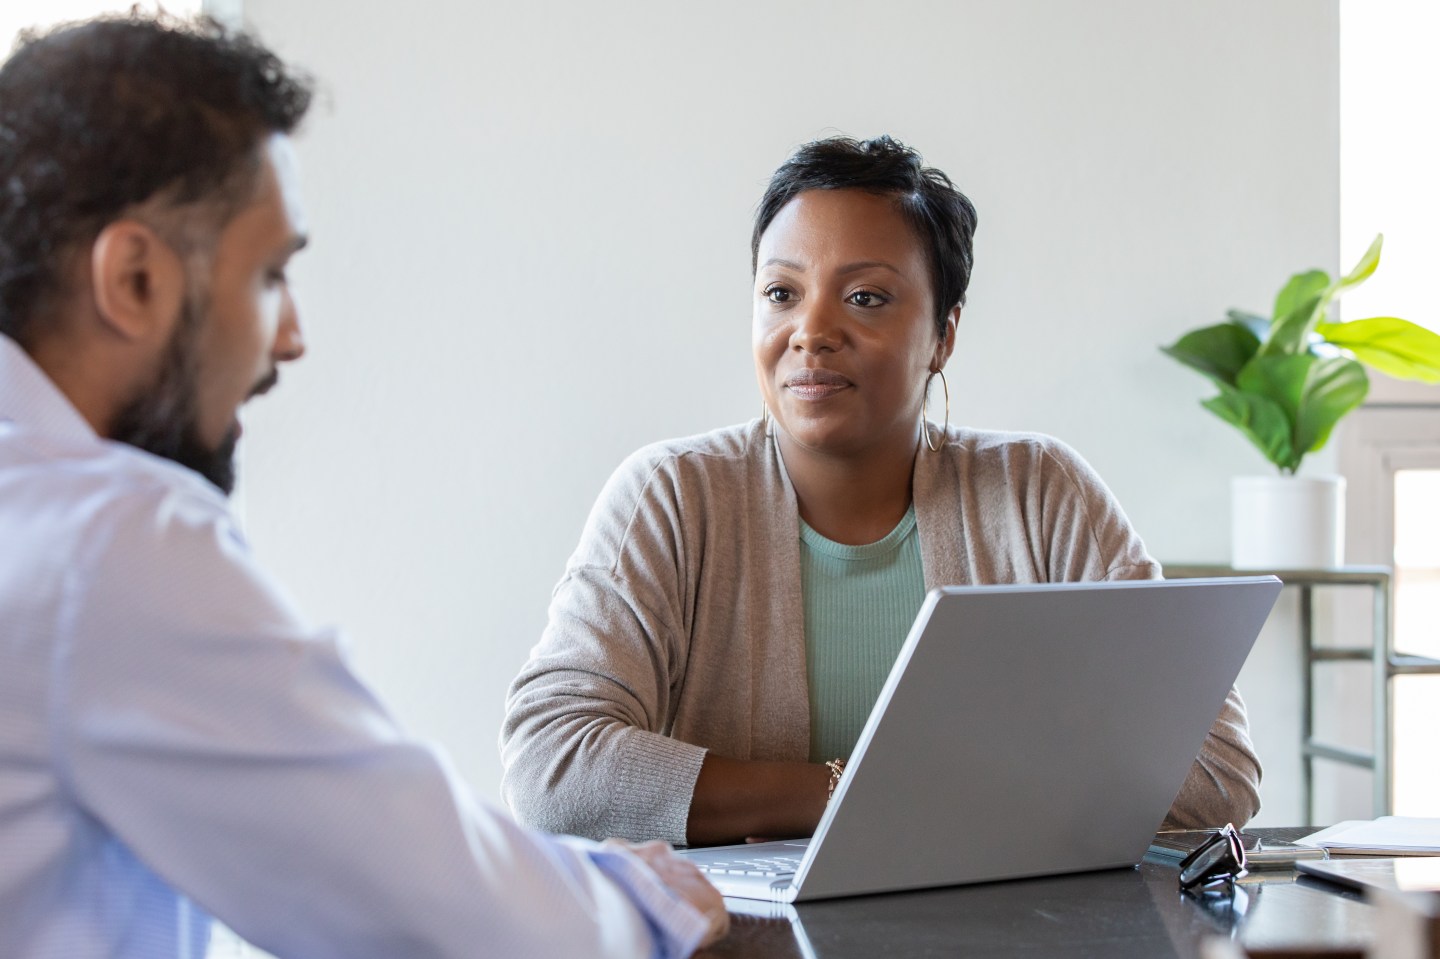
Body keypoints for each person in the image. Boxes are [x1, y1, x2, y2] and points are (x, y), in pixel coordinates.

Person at [0, 14, 727, 958]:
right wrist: (644, 898)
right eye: (269, 276)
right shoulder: (106, 539)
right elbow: (443, 912)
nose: (291, 335)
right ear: (134, 278)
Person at [500, 135, 1263, 847]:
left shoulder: (1038, 493)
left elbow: (1217, 771)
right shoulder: (672, 496)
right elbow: (552, 766)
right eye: (781, 293)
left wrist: (929, 802)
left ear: (943, 334)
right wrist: (853, 794)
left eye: (865, 297)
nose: (811, 329)